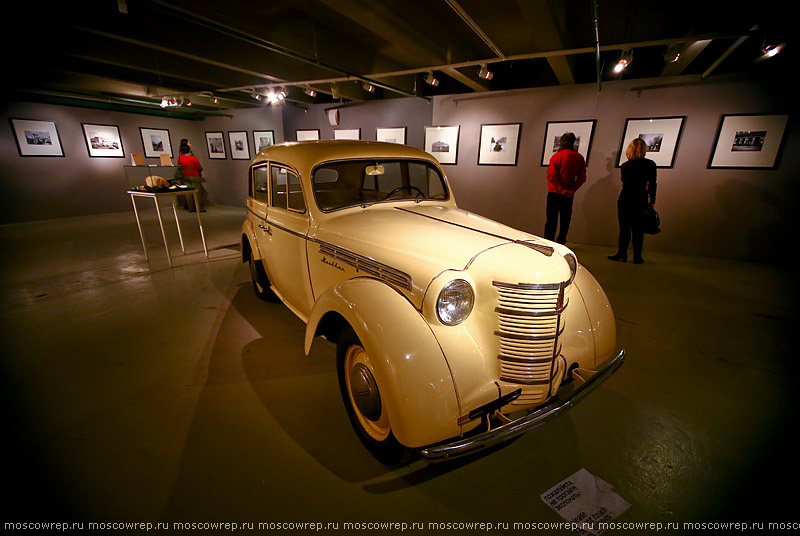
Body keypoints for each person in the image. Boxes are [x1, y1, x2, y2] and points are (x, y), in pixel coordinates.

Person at [608, 138, 657, 264]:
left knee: (624, 228)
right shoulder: (650, 164)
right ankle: (637, 256)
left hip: (626, 199)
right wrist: (652, 200)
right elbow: (652, 184)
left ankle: (622, 253)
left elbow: (626, 182)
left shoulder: (626, 166)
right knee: (638, 230)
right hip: (641, 199)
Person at [544, 132, 586, 244]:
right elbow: (582, 178)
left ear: (563, 142)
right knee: (565, 220)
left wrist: (560, 189)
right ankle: (561, 241)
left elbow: (552, 176)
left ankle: (549, 243)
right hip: (569, 194)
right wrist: (572, 190)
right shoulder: (579, 158)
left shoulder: (556, 156)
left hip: (554, 193)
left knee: (551, 220)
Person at [177, 143, 205, 212]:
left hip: (185, 176)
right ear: (189, 150)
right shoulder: (193, 158)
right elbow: (199, 167)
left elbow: (179, 167)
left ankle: (191, 208)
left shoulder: (180, 159)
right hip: (194, 176)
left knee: (188, 193)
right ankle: (199, 208)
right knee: (197, 192)